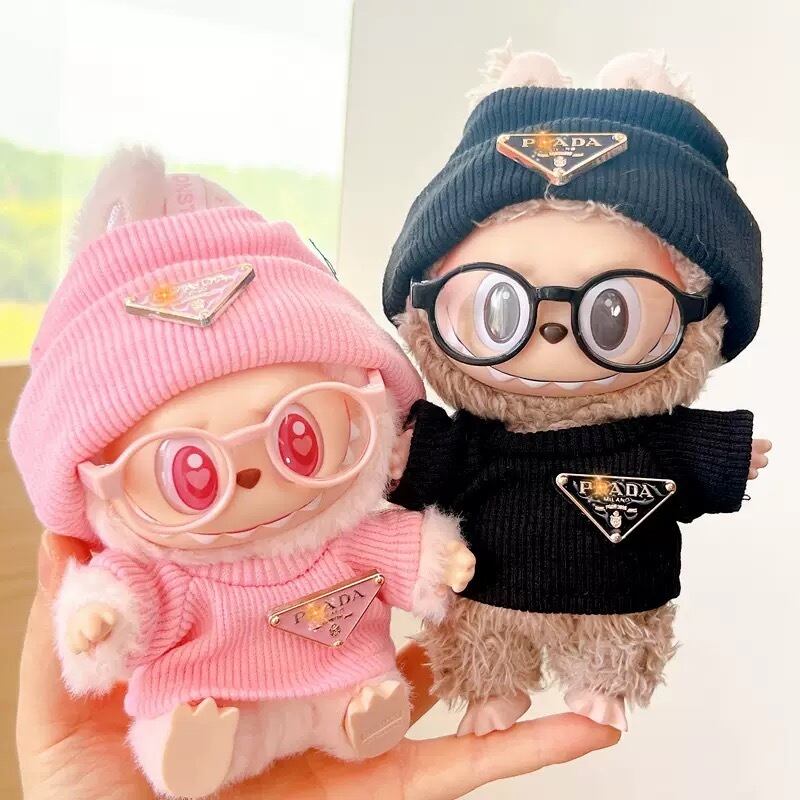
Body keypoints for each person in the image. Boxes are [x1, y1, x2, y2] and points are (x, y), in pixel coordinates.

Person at [18, 531, 620, 800]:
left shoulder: (340, 536)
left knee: (360, 698)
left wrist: (437, 559)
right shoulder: (172, 568)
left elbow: (391, 547)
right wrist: (101, 610)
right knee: (199, 726)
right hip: (222, 694)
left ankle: (363, 723)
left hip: (335, 673)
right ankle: (192, 752)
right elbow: (138, 592)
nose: (252, 477)